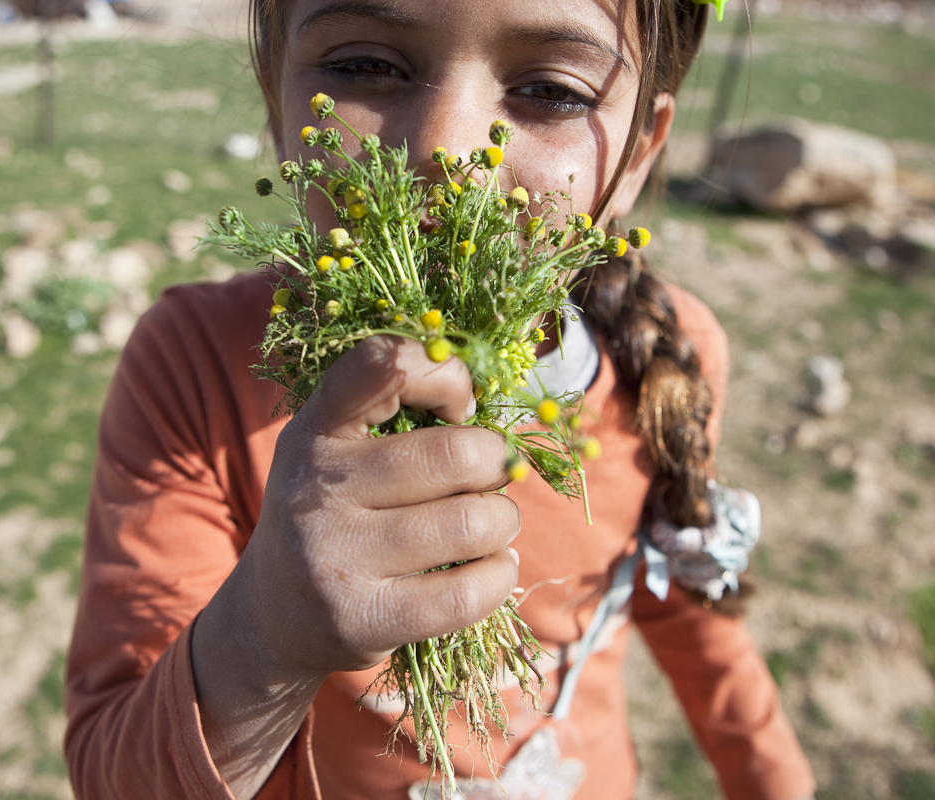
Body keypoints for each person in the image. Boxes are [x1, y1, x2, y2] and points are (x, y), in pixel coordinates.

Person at [63, 0, 818, 798]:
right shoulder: (196, 364)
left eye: (554, 90)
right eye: (363, 66)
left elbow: (684, 605)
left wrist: (775, 780)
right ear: (274, 100)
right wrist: (268, 634)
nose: (446, 151)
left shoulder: (672, 358)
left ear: (636, 156)